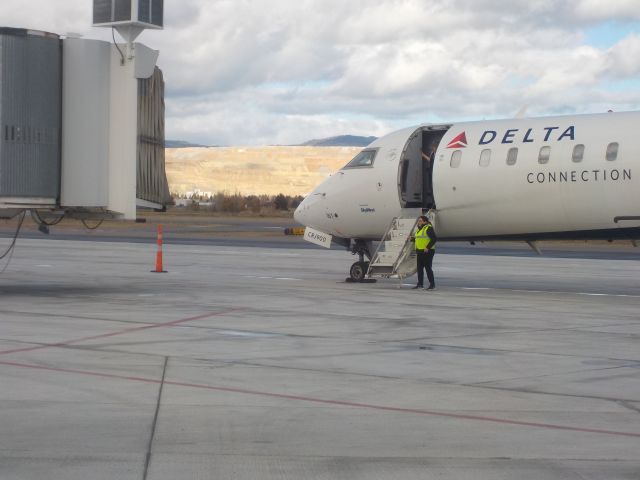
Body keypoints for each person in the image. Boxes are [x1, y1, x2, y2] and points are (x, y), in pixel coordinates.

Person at [411, 215, 437, 290]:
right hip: (419, 251)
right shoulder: (419, 229)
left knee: (428, 268)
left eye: (420, 221)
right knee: (419, 269)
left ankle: (432, 285)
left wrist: (427, 247)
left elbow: (434, 239)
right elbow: (418, 239)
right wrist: (412, 239)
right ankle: (420, 284)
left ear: (425, 222)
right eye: (418, 221)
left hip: (427, 251)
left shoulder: (428, 228)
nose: (418, 222)